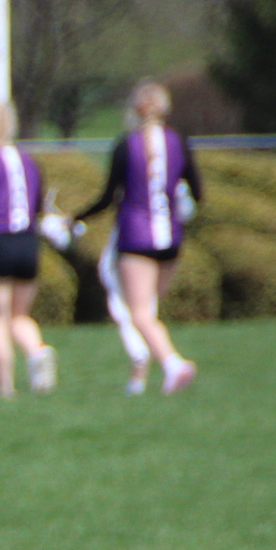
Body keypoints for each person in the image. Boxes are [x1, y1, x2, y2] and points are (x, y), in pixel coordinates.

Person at [75, 81, 200, 395]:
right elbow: (197, 191)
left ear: (135, 109)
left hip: (136, 237)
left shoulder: (126, 145)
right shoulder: (179, 142)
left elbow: (107, 197)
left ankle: (173, 365)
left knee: (139, 313)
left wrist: (77, 217)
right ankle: (142, 376)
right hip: (171, 238)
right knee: (149, 310)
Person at [0, 100, 55, 398]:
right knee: (20, 315)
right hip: (27, 243)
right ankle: (37, 350)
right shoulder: (30, 162)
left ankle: (4, 386)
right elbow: (38, 204)